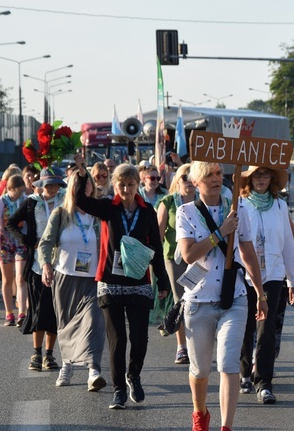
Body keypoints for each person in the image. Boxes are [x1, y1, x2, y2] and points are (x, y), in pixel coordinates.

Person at [72, 153, 169, 410]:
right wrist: (82, 173)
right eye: (121, 184)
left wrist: (164, 281)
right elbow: (81, 200)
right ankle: (118, 390)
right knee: (118, 340)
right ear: (115, 185)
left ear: (138, 185)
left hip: (139, 281)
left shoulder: (147, 212)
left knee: (139, 339)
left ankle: (133, 375)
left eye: (131, 184)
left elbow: (156, 248)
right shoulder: (107, 208)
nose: (126, 189)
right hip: (110, 281)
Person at [176, 161, 267, 431]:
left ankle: (226, 426)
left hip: (234, 297)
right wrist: (219, 233)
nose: (216, 179)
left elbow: (248, 254)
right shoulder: (186, 211)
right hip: (198, 300)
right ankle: (200, 413)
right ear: (196, 182)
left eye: (218, 173)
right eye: (209, 175)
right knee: (201, 370)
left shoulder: (239, 208)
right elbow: (189, 255)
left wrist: (260, 293)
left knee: (229, 364)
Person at [38, 169, 107, 391]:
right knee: (66, 325)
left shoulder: (98, 212)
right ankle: (67, 364)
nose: (85, 186)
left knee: (93, 322)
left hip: (93, 278)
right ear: (72, 187)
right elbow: (46, 242)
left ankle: (93, 370)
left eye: (88, 183)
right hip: (65, 277)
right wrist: (46, 264)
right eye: (80, 182)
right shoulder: (60, 213)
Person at [236, 164, 294, 404]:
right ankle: (244, 371)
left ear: (272, 178)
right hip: (245, 277)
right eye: (256, 175)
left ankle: (263, 382)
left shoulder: (280, 206)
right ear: (249, 179)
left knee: (267, 329)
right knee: (245, 327)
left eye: (265, 174)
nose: (261, 179)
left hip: (273, 276)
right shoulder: (240, 205)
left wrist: (293, 280)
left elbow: (287, 245)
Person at [7, 167, 66, 371]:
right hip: (37, 264)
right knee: (38, 308)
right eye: (48, 184)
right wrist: (28, 240)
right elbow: (11, 223)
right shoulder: (32, 202)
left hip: (61, 262)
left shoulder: (65, 200)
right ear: (41, 184)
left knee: (54, 310)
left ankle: (49, 355)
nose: (52, 188)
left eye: (55, 184)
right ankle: (36, 353)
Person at [156, 162, 196, 364]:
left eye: (192, 176)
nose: (188, 180)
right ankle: (182, 347)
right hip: (174, 258)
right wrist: (156, 268)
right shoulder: (168, 202)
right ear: (177, 181)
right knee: (181, 300)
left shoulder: (205, 201)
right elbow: (158, 235)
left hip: (200, 257)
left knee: (199, 301)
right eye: (184, 177)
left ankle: (196, 343)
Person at [0, 175, 28, 326]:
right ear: (9, 189)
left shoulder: (26, 200)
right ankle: (9, 313)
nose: (20, 194)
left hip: (21, 241)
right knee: (7, 278)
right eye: (17, 191)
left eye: (22, 191)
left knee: (21, 277)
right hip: (5, 243)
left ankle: (22, 312)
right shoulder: (0, 202)